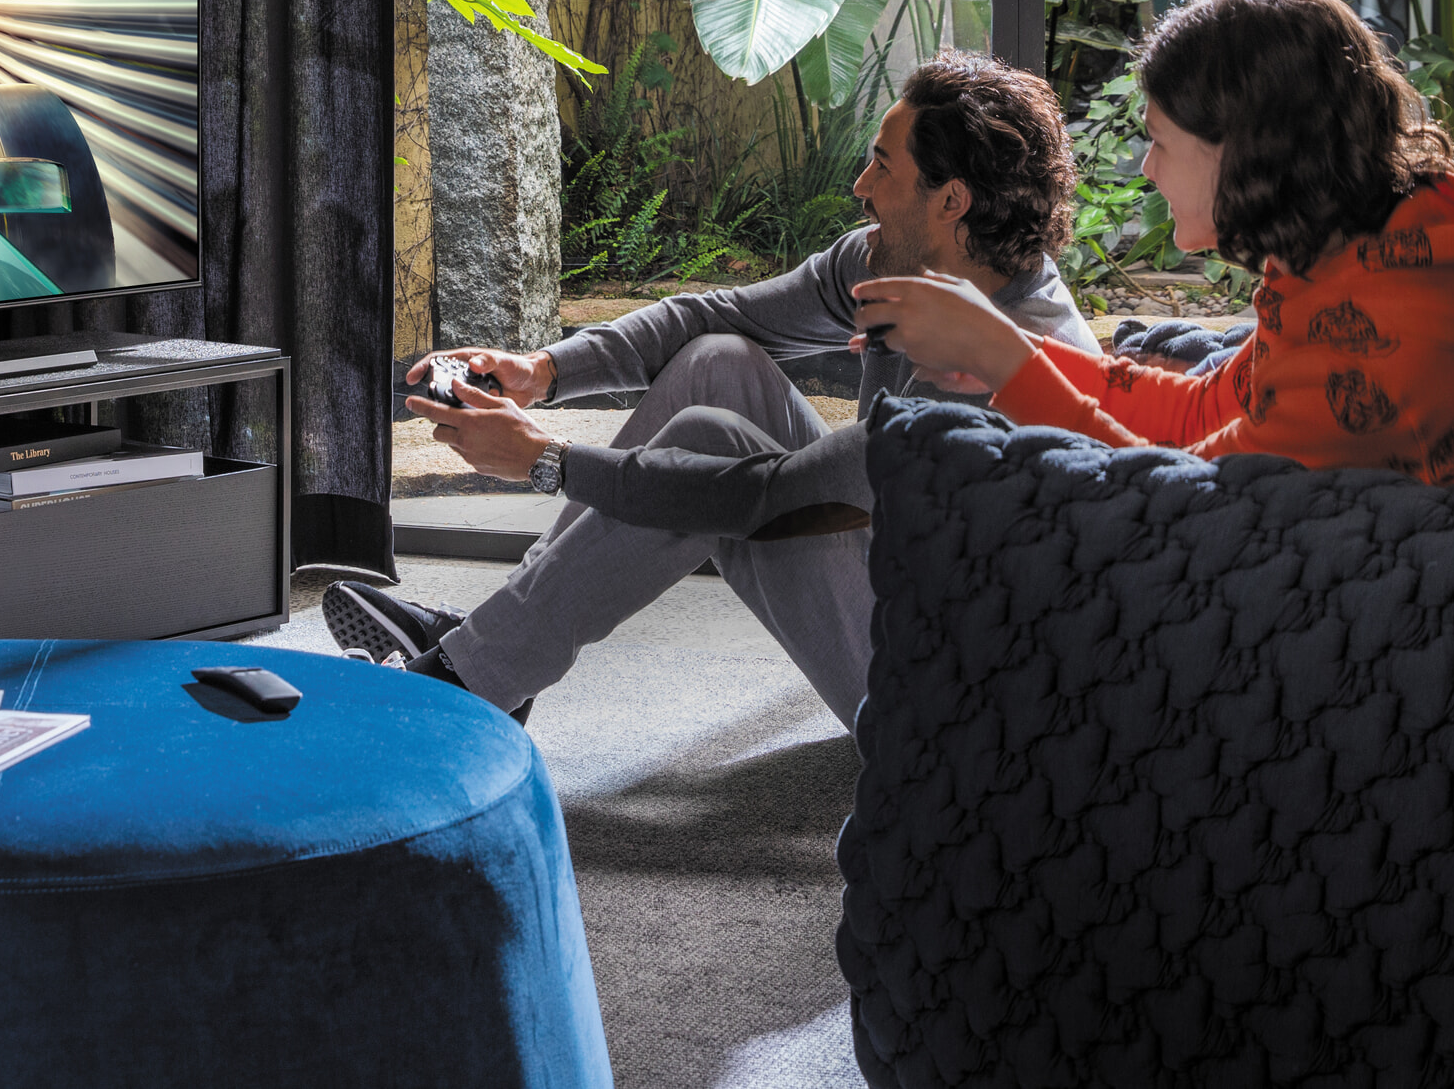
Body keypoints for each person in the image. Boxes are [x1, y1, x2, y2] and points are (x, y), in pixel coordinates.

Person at [322, 50, 1097, 725]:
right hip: (890, 579)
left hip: (949, 700)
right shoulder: (890, 260)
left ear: (952, 199)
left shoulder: (1014, 365)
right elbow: (714, 313)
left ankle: (468, 676)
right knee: (716, 359)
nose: (861, 184)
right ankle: (493, 656)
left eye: (884, 166)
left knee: (710, 450)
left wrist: (547, 458)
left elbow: (760, 496)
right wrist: (545, 372)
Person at [858, 0, 1454, 491]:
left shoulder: (1378, 353)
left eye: (1159, 140)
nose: (1148, 169)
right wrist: (1004, 350)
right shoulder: (1353, 250)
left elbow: (1184, 498)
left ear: (1243, 151)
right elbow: (1202, 413)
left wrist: (998, 352)